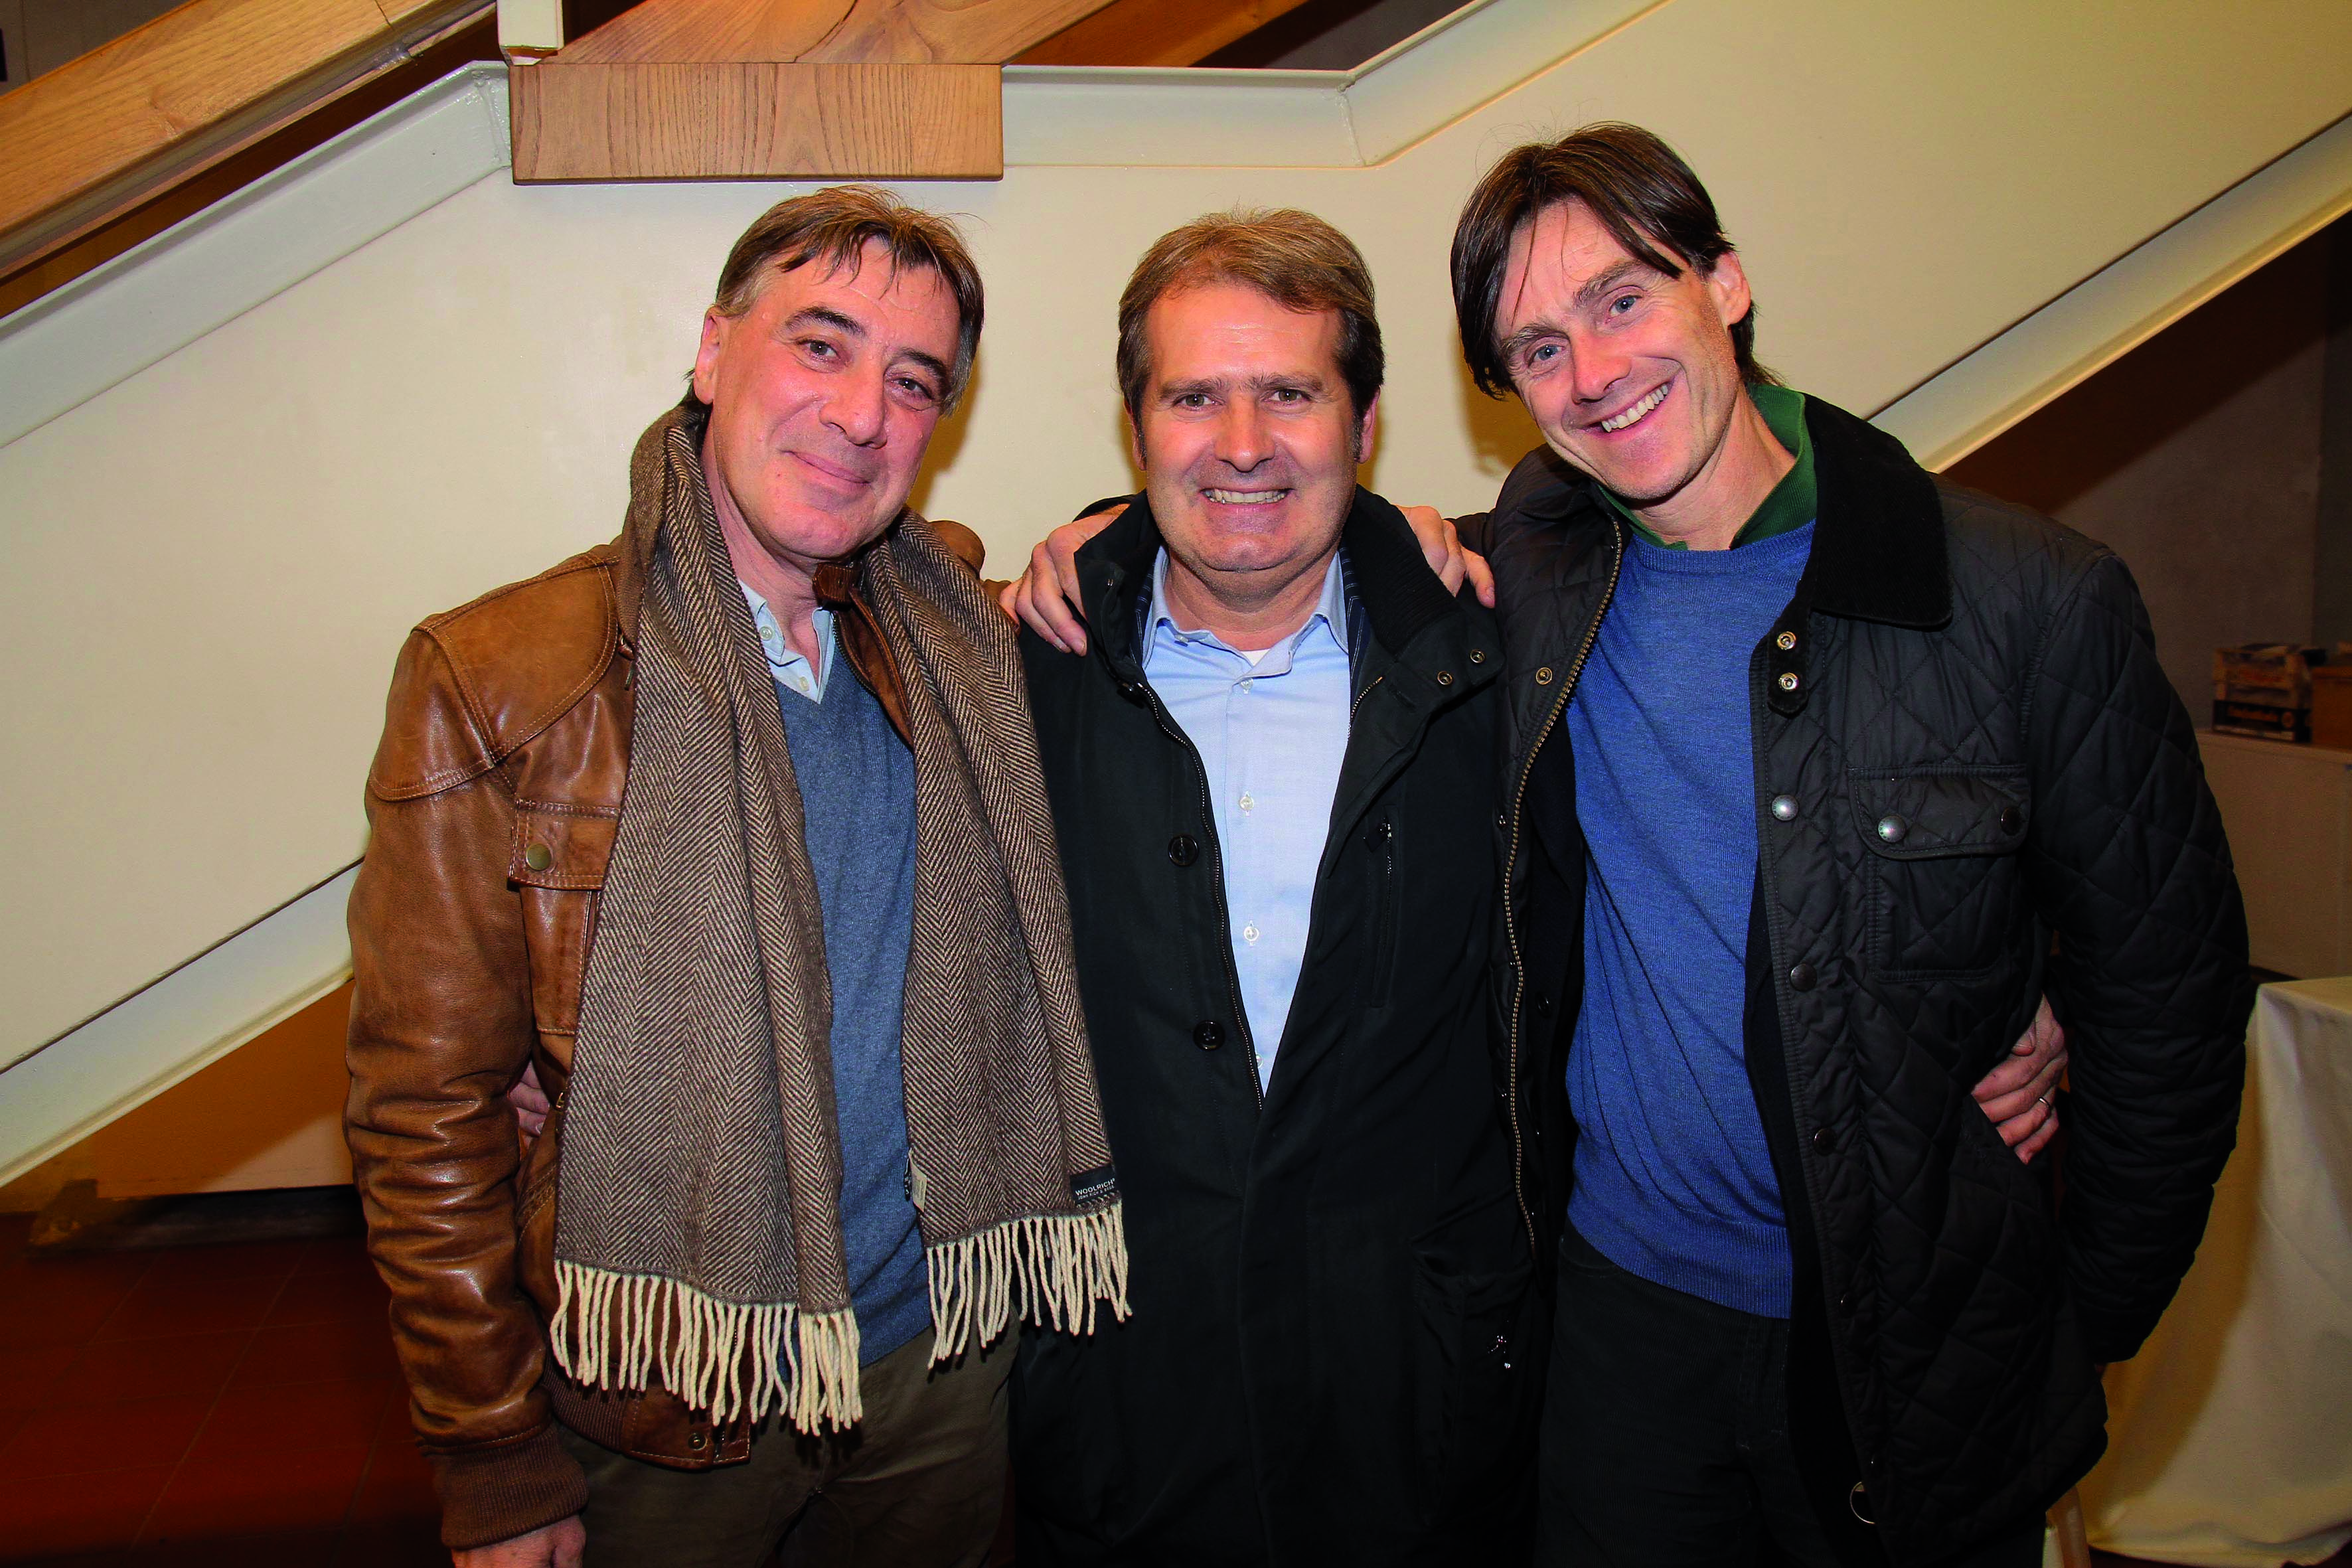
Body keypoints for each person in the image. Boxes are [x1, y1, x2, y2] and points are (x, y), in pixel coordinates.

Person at [1010, 124, 2234, 1566]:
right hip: (1608, 1338)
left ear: (1723, 282)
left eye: (1621, 300)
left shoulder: (2025, 597)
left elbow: (2170, 1013)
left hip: (1910, 1353)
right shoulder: (1524, 580)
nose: (1591, 373)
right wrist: (1104, 537)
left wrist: (2058, 1324)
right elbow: (1278, 516)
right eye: (1536, 347)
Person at [345, 186, 1128, 1568]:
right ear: (714, 354)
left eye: (912, 381)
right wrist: (492, 1456)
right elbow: (424, 1113)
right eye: (817, 346)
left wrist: (1401, 534)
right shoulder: (504, 680)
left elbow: (1228, 545)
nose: (860, 413)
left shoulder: (958, 644)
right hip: (667, 1396)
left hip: (943, 1364)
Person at [1006, 208, 1539, 1565]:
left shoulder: (1493, 661)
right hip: (1126, 1407)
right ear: (1137, 430)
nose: (1242, 442)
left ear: (1363, 427)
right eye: (1194, 395)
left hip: (1415, 1409)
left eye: (1290, 393)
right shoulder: (1021, 680)